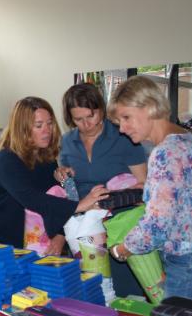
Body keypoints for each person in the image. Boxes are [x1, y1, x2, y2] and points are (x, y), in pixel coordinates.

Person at [107, 76, 192, 303]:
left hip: (191, 261)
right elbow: (182, 203)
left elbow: (157, 225)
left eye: (126, 117)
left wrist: (122, 249)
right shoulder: (186, 139)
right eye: (119, 122)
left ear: (149, 107)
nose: (122, 129)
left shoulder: (166, 151)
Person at [0, 96, 108, 255]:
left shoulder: (47, 159)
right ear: (22, 129)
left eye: (49, 123)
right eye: (39, 125)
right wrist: (79, 205)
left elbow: (57, 199)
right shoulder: (6, 158)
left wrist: (60, 236)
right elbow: (32, 199)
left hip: (32, 242)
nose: (47, 130)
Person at [55, 83, 147, 297]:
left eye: (91, 116)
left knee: (125, 292)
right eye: (78, 119)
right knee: (93, 289)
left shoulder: (123, 136)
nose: (86, 124)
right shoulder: (67, 141)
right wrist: (61, 174)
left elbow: (144, 187)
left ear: (102, 109)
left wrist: (110, 199)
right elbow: (70, 186)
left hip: (120, 226)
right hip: (85, 230)